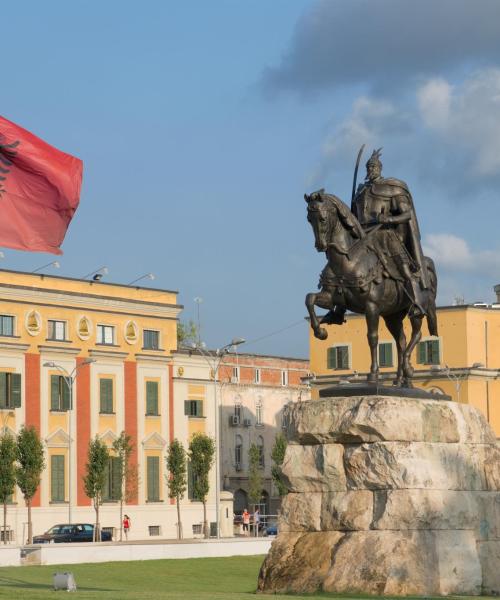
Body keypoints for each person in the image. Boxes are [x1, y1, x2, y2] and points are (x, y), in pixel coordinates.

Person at [351, 148, 428, 316]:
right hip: (363, 237)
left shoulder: (390, 188)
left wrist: (389, 220)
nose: (371, 170)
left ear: (380, 169)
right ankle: (338, 308)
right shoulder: (361, 192)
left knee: (404, 267)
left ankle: (416, 302)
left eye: (374, 167)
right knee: (344, 262)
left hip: (384, 234)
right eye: (369, 167)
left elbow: (407, 214)